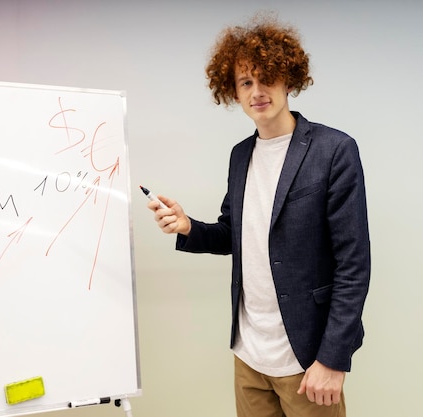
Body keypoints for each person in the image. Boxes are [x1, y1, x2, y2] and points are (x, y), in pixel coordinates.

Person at [146, 15, 370, 417]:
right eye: (245, 82)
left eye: (267, 77)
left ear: (289, 79)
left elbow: (354, 265)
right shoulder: (240, 155)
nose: (257, 91)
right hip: (248, 355)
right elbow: (235, 233)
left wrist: (334, 359)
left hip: (307, 360)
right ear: (232, 91)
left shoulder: (334, 150)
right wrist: (187, 227)